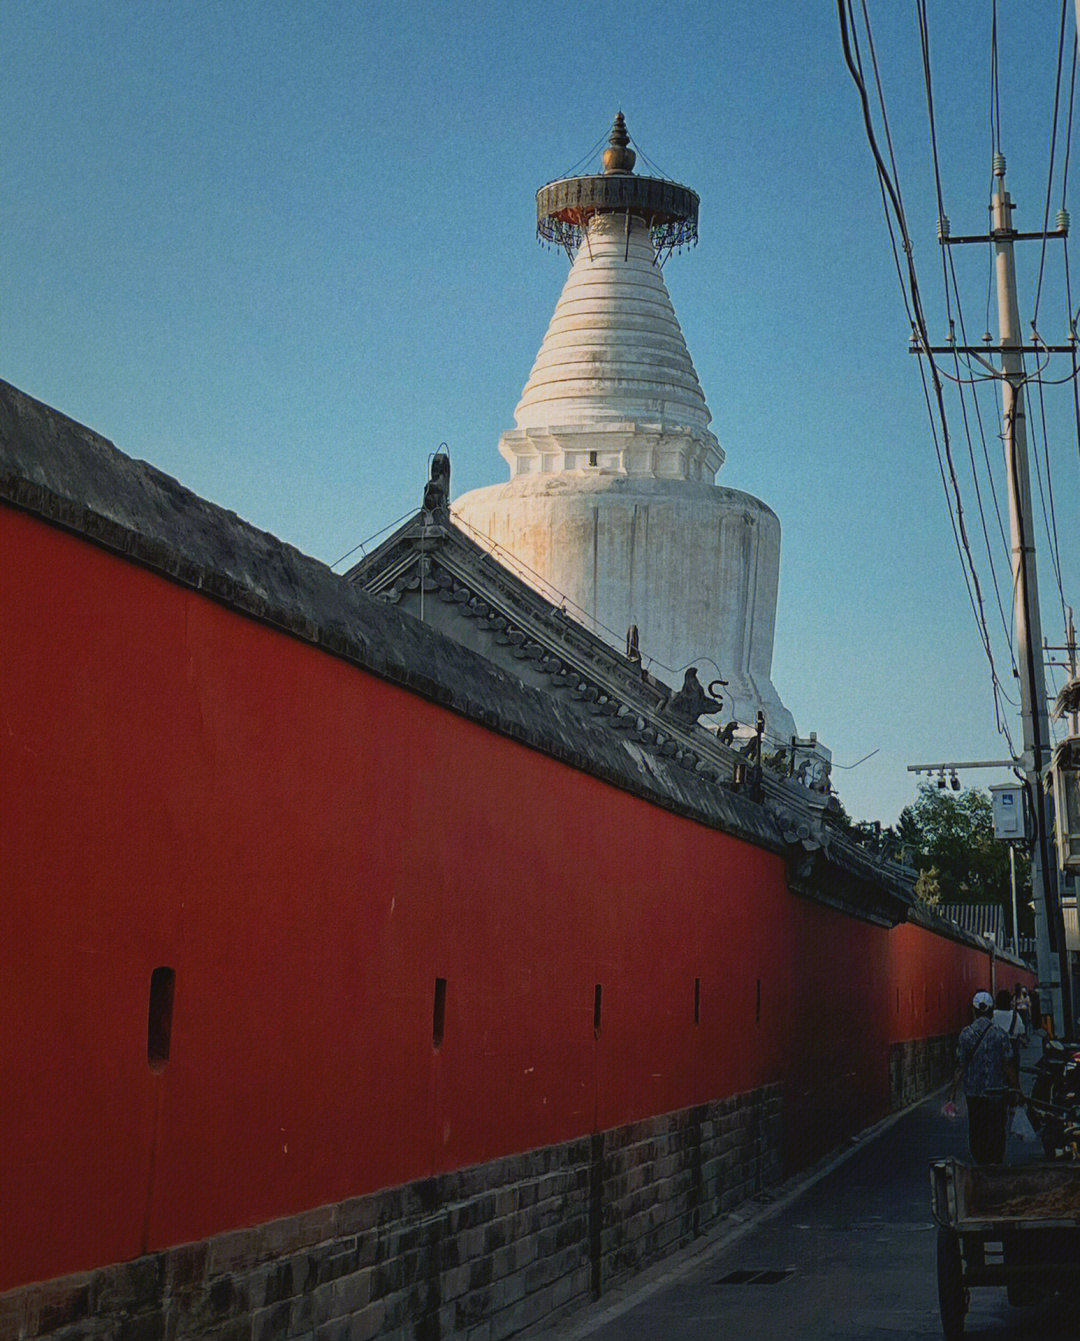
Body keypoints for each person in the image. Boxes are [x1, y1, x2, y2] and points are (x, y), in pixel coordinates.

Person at [950, 990, 1020, 1165]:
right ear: (991, 1010)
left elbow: (960, 1066)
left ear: (974, 1011)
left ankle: (980, 1162)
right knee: (997, 1128)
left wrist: (952, 1093)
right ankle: (995, 1163)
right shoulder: (1000, 1034)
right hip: (997, 1092)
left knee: (977, 1127)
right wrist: (1017, 1088)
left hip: (974, 1092)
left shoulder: (965, 1034)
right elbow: (1008, 1065)